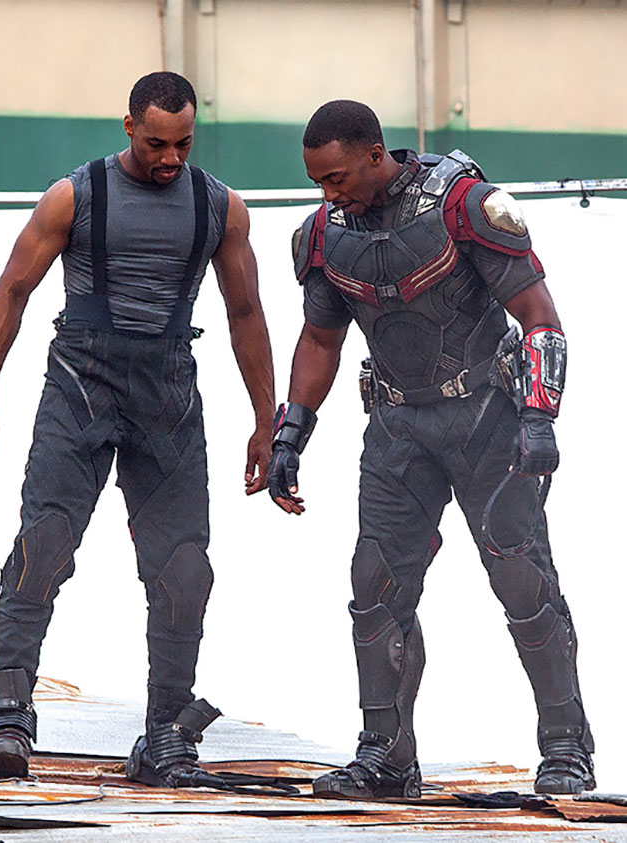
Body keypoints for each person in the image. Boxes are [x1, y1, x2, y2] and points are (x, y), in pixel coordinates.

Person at [268, 100, 594, 799]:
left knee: (522, 579)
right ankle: (385, 757)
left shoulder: (463, 206)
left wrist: (539, 417)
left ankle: (566, 746)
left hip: (487, 418)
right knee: (374, 589)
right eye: (317, 181)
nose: (327, 193)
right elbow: (320, 340)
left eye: (336, 178)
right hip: (397, 428)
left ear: (375, 154)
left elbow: (539, 316)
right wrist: (290, 431)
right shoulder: (325, 235)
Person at [0, 71, 275, 785]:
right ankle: (8, 717)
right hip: (82, 383)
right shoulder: (75, 196)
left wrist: (266, 419)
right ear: (128, 127)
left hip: (168, 391)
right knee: (43, 545)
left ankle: (165, 735)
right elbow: (12, 290)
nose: (170, 158)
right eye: (157, 143)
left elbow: (246, 312)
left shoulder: (220, 206)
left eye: (183, 143)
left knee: (184, 570)